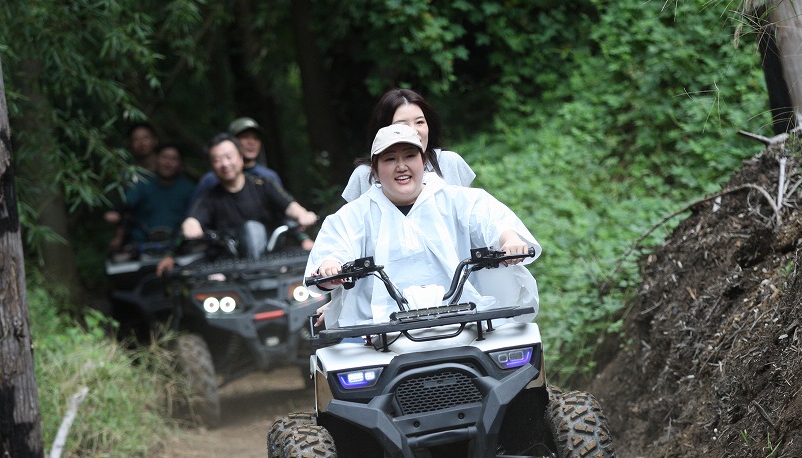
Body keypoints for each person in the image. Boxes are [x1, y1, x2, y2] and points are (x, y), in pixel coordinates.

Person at [309, 124, 539, 329]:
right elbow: (335, 247)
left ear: (424, 161)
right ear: (375, 170)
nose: (401, 166)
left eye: (410, 156)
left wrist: (509, 239)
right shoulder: (354, 214)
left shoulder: (458, 199)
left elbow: (491, 220)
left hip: (465, 318)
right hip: (379, 327)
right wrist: (330, 267)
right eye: (390, 159)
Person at [157, 133, 317, 275]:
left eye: (229, 157)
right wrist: (190, 227)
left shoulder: (263, 184)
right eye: (217, 160)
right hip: (229, 266)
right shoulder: (209, 197)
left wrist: (303, 214)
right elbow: (193, 219)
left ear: (240, 158)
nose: (225, 164)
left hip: (273, 258)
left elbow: (290, 206)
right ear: (211, 166)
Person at [341, 88, 476, 202]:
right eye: (402, 125)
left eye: (419, 122)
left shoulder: (450, 162)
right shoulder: (363, 175)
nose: (413, 131)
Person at [105, 143, 195, 250]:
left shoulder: (189, 189)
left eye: (173, 159)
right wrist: (116, 214)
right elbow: (126, 204)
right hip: (141, 245)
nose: (168, 163)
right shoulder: (143, 184)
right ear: (156, 159)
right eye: (164, 157)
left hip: (176, 246)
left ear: (180, 164)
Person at [189, 117, 284, 207]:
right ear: (231, 142)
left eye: (256, 138)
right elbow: (195, 214)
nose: (252, 142)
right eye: (245, 137)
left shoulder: (268, 177)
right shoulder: (211, 180)